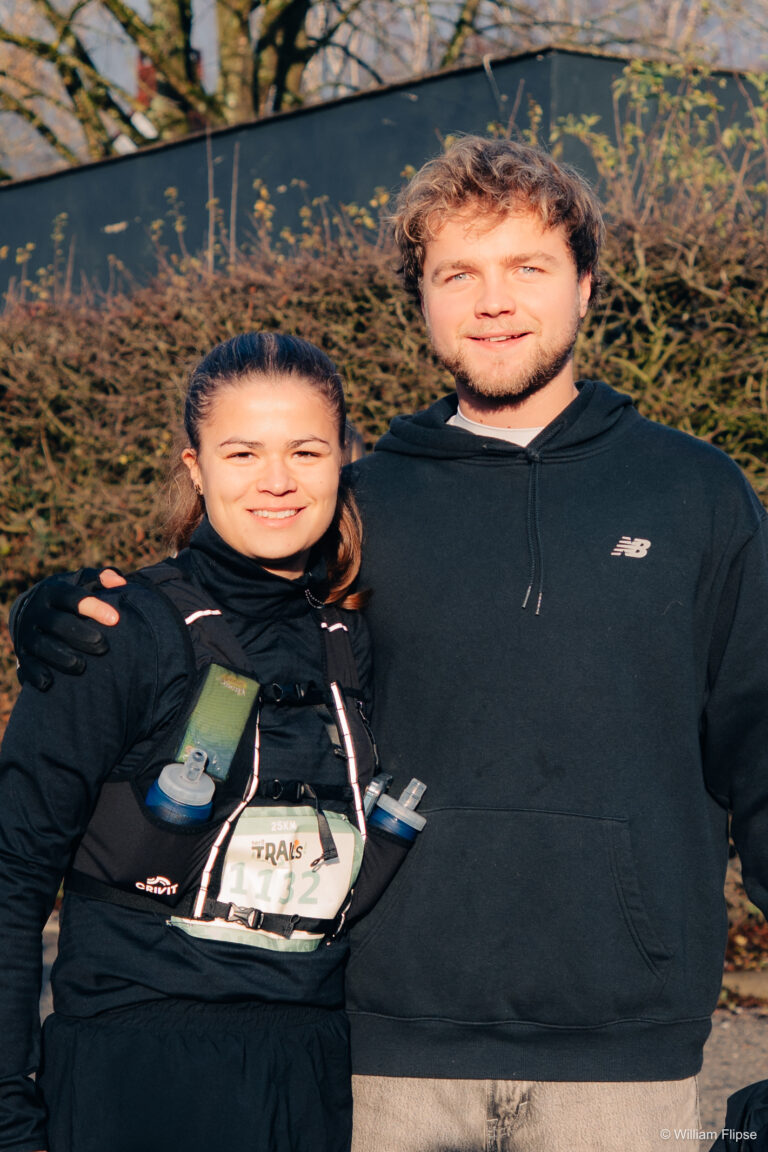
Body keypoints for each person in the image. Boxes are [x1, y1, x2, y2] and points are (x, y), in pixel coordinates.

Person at [12, 137, 768, 1151]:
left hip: (625, 1051)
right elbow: (216, 603)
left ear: (587, 285)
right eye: (458, 274)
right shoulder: (353, 505)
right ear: (421, 299)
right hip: (380, 1049)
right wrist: (53, 611)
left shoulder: (698, 495)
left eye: (528, 267)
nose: (494, 302)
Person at [0, 331, 384, 1152]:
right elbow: (12, 874)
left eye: (306, 451)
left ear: (343, 461)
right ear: (196, 467)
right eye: (242, 453)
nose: (276, 481)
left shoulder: (357, 641)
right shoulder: (114, 632)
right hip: (134, 1083)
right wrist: (7, 1115)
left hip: (314, 1081)